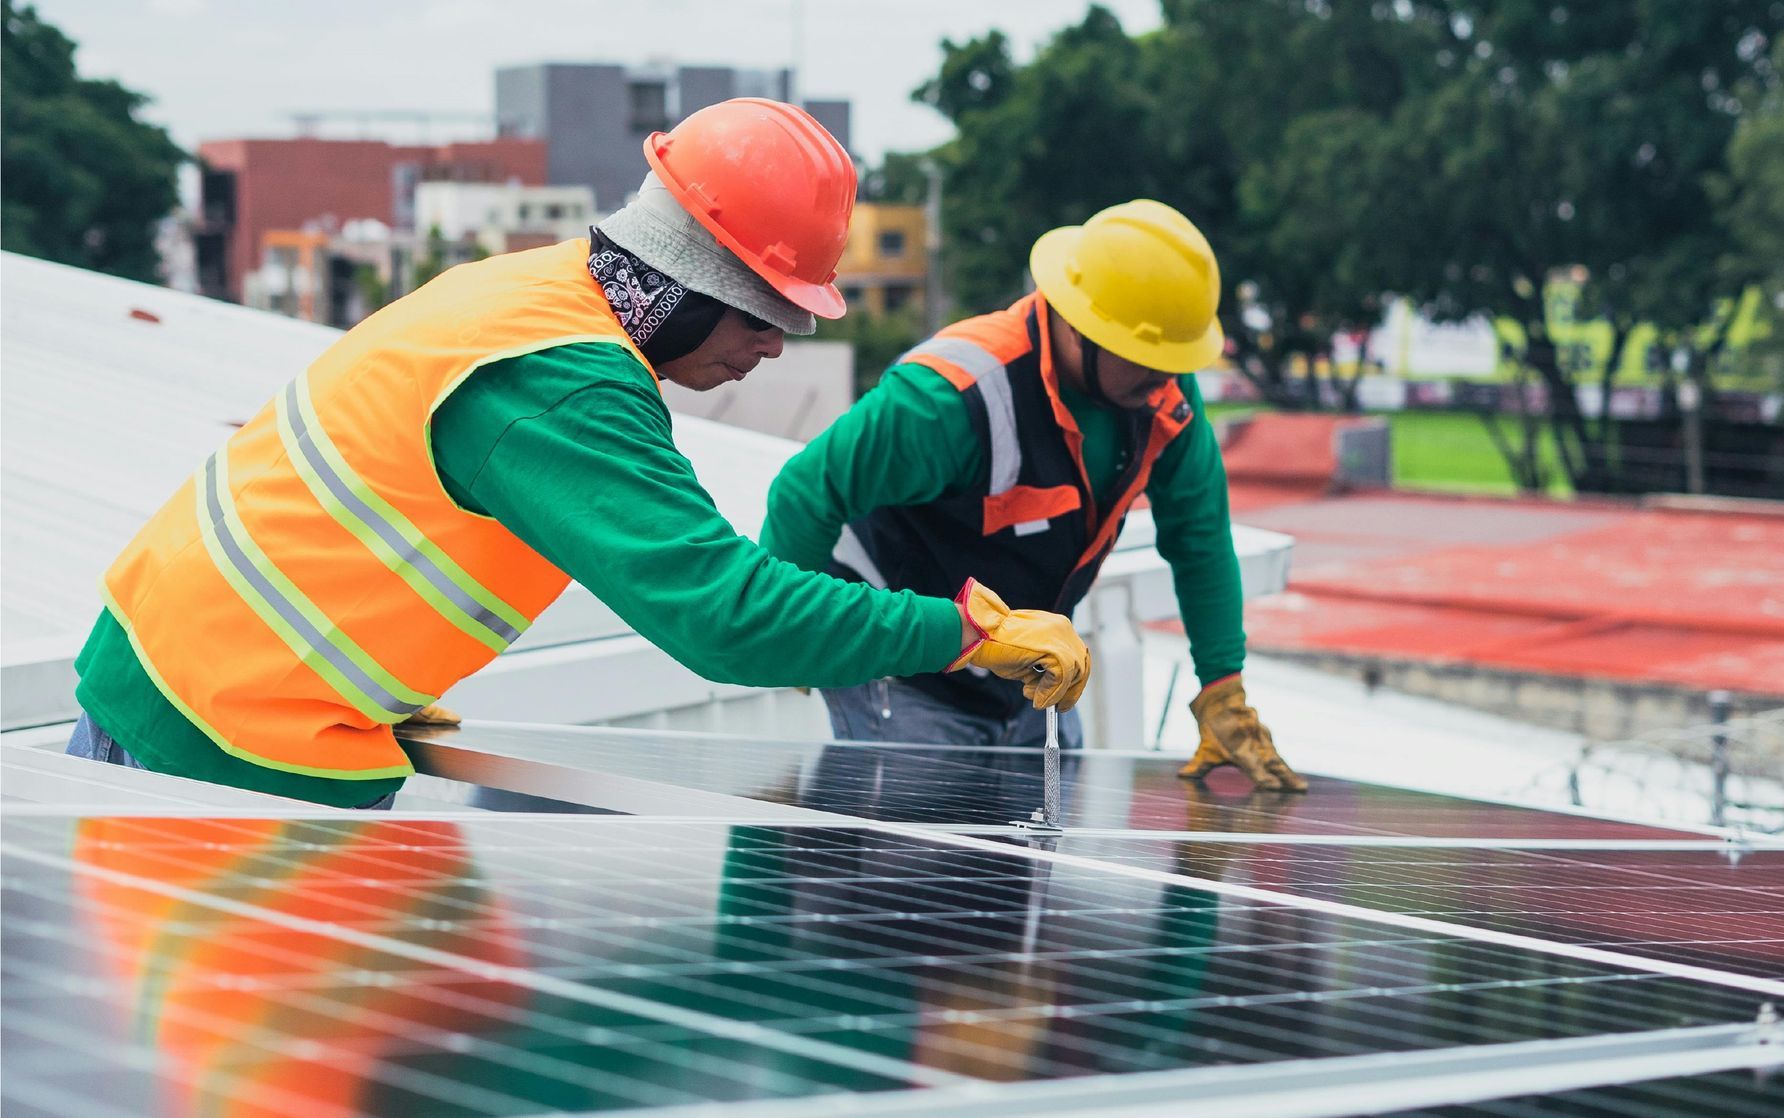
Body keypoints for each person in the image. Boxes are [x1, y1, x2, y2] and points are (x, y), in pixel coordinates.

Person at [64, 98, 1090, 809]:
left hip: (195, 676)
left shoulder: (536, 292)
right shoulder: (563, 383)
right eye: (770, 311)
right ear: (693, 275)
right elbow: (723, 616)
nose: (777, 344)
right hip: (220, 730)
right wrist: (964, 630)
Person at [761, 199, 1306, 791]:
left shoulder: (1162, 401)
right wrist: (795, 638)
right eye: (1149, 359)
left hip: (1030, 674)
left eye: (1175, 362)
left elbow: (1199, 540)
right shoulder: (950, 397)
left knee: (1027, 865)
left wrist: (1222, 688)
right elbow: (805, 492)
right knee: (923, 862)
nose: (1166, 380)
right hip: (906, 672)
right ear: (1079, 326)